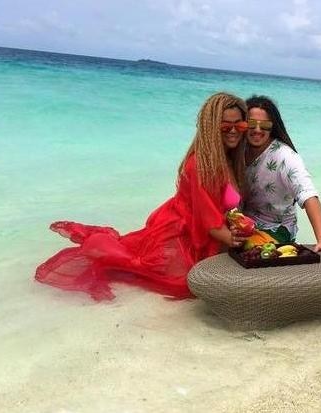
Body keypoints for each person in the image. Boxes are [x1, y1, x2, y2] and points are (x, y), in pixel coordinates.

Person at [35, 92, 249, 301]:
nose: (233, 131)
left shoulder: (230, 158)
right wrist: (234, 239)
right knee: (173, 280)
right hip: (184, 232)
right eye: (225, 126)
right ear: (210, 128)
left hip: (201, 228)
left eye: (239, 125)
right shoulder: (199, 165)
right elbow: (207, 218)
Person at [242, 95, 321, 256]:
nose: (258, 130)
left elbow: (307, 193)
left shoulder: (285, 157)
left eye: (265, 125)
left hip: (275, 228)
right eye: (251, 123)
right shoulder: (239, 149)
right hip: (244, 222)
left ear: (273, 127)